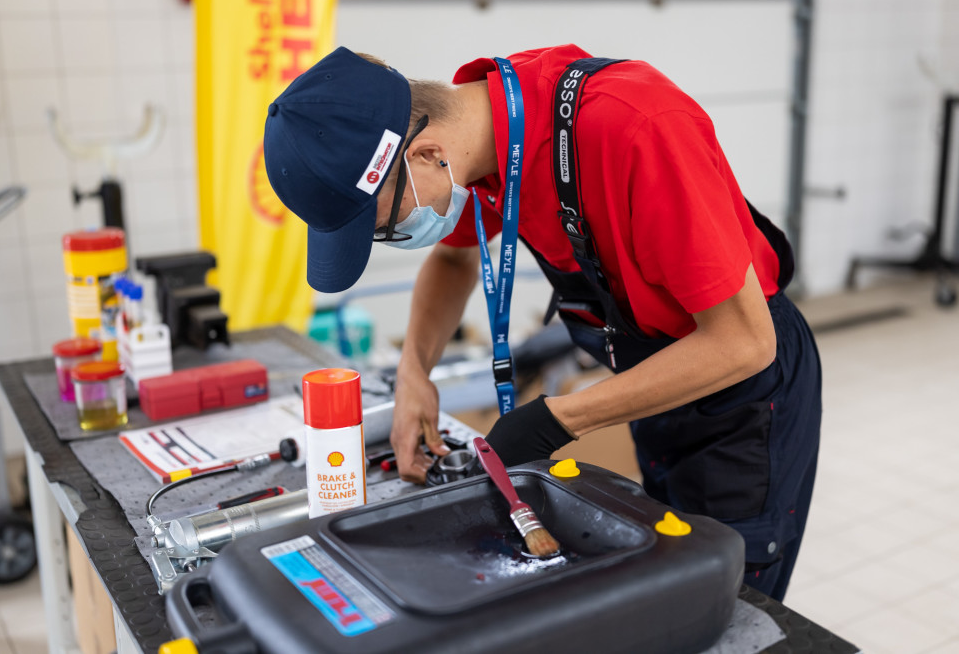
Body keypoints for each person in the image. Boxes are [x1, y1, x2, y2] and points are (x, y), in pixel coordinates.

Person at [263, 44, 821, 601]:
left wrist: (557, 418)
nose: (394, 238)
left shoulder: (635, 128)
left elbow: (745, 342)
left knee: (724, 601)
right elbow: (454, 259)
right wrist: (414, 372)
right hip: (657, 381)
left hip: (742, 394)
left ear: (427, 153)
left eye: (385, 225)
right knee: (669, 577)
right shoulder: (483, 143)